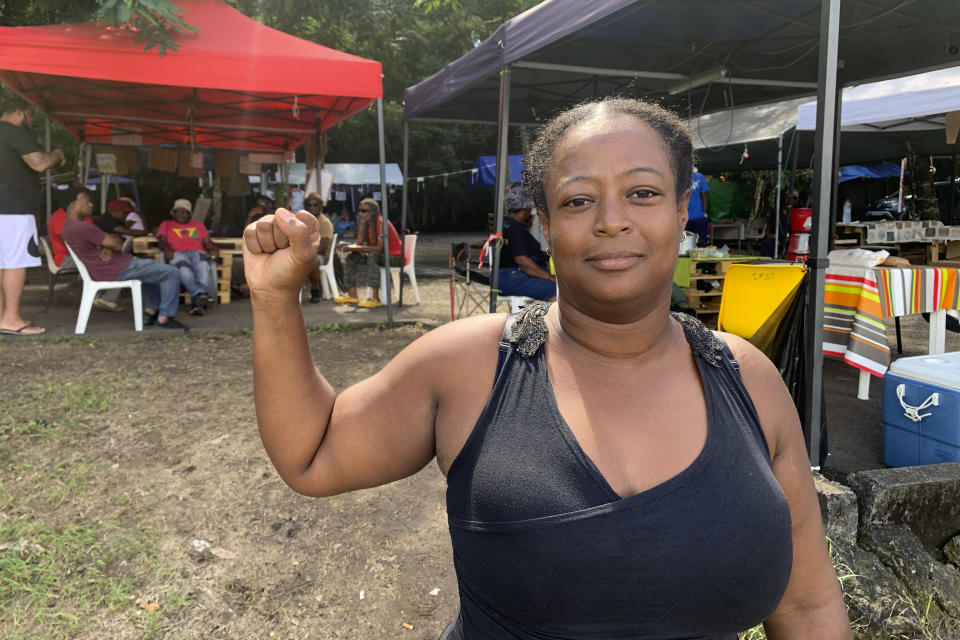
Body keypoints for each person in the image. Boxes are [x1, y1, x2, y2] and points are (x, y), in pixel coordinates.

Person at [242, 98, 851, 639]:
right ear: (545, 222)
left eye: (642, 192)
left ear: (682, 207)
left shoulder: (749, 382)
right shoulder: (469, 367)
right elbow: (313, 453)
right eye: (579, 199)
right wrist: (274, 300)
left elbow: (806, 605)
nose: (612, 220)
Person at [60, 188, 188, 330]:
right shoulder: (83, 226)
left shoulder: (68, 226)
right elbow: (118, 243)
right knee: (172, 272)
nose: (91, 205)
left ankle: (150, 312)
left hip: (109, 267)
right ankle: (165, 318)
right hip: (117, 267)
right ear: (74, 204)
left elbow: (109, 242)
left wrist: (106, 246)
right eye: (87, 201)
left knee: (152, 271)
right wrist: (109, 244)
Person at [0, 96, 65, 336]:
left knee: (1, 264)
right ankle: (12, 318)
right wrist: (57, 154)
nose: (31, 120)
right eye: (30, 115)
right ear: (20, 113)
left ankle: (2, 317)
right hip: (14, 209)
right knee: (16, 263)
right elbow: (39, 163)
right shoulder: (15, 131)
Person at [332, 198, 401, 309]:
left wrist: (353, 248)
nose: (360, 213)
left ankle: (375, 298)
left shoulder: (381, 223)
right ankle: (352, 294)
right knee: (351, 257)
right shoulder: (367, 224)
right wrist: (349, 245)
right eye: (359, 210)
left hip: (395, 257)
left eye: (364, 211)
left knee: (372, 256)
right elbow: (358, 244)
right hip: (380, 256)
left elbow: (378, 249)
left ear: (373, 212)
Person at [157, 198, 220, 316]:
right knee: (184, 270)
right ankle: (200, 297)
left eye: (185, 212)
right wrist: (167, 249)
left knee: (203, 267)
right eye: (179, 211)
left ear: (189, 214)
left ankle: (198, 301)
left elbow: (207, 242)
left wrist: (215, 249)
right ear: (173, 213)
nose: (182, 214)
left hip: (197, 252)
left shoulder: (198, 225)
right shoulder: (166, 224)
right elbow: (161, 241)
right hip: (178, 252)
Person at [498, 186, 557, 301]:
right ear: (525, 208)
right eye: (530, 207)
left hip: (502, 276)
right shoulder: (514, 228)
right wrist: (549, 277)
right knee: (558, 289)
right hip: (513, 277)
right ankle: (552, 318)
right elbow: (522, 261)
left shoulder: (504, 224)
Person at [303, 192, 335, 303]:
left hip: (322, 256)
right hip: (307, 253)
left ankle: (315, 290)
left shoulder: (324, 223)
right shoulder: (305, 222)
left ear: (320, 206)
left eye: (315, 204)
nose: (312, 207)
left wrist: (304, 251)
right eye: (309, 205)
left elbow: (322, 249)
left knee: (313, 260)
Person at [685, 166, 710, 245]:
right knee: (701, 242)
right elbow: (704, 195)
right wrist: (704, 212)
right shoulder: (700, 177)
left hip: (684, 217)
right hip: (698, 216)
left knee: (684, 243)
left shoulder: (678, 177)